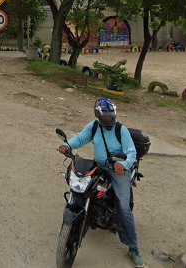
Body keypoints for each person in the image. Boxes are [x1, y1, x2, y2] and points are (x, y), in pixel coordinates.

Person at [57, 98, 144, 268]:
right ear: (98, 116)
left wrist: (123, 165)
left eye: (112, 117)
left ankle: (133, 247)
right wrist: (67, 145)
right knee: (82, 188)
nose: (110, 120)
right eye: (106, 118)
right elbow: (81, 139)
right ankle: (83, 217)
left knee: (124, 207)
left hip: (118, 169)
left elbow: (132, 153)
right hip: (99, 166)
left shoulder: (121, 130)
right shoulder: (95, 126)